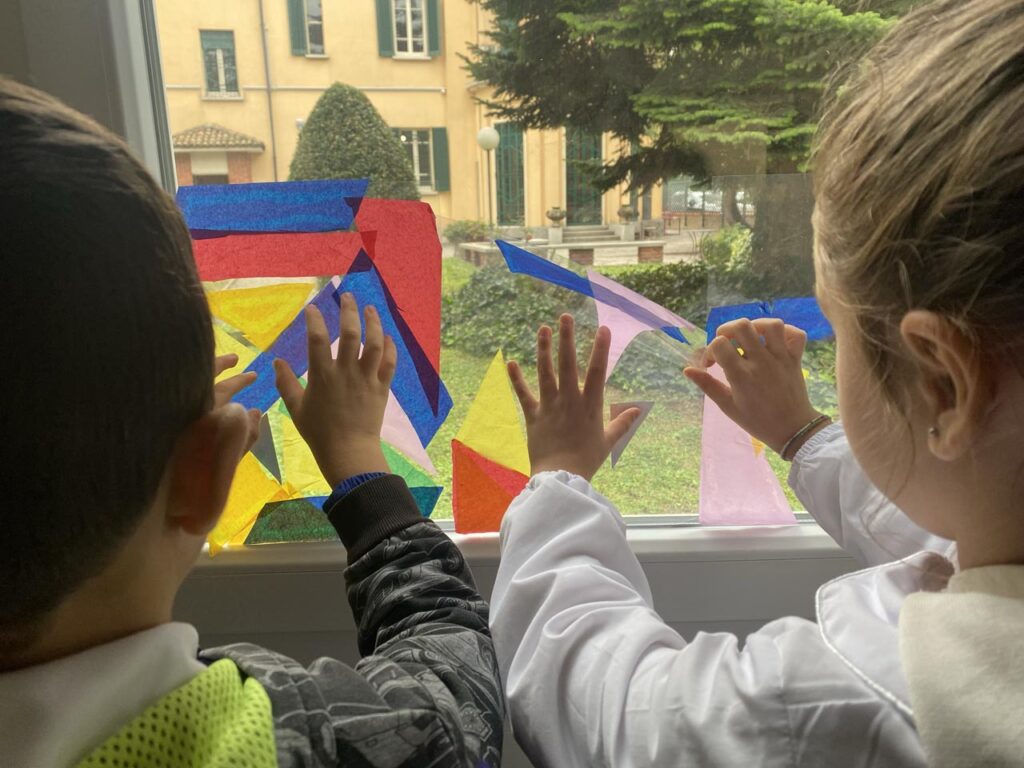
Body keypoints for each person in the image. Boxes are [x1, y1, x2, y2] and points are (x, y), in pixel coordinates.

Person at [491, 0, 1024, 765]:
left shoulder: (842, 703)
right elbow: (949, 518)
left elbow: (607, 705)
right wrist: (803, 434)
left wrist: (557, 483)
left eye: (838, 329)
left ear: (942, 384)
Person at [0, 78, 503, 767]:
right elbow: (451, 692)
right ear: (205, 475)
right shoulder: (290, 740)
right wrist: (359, 457)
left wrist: (143, 429)